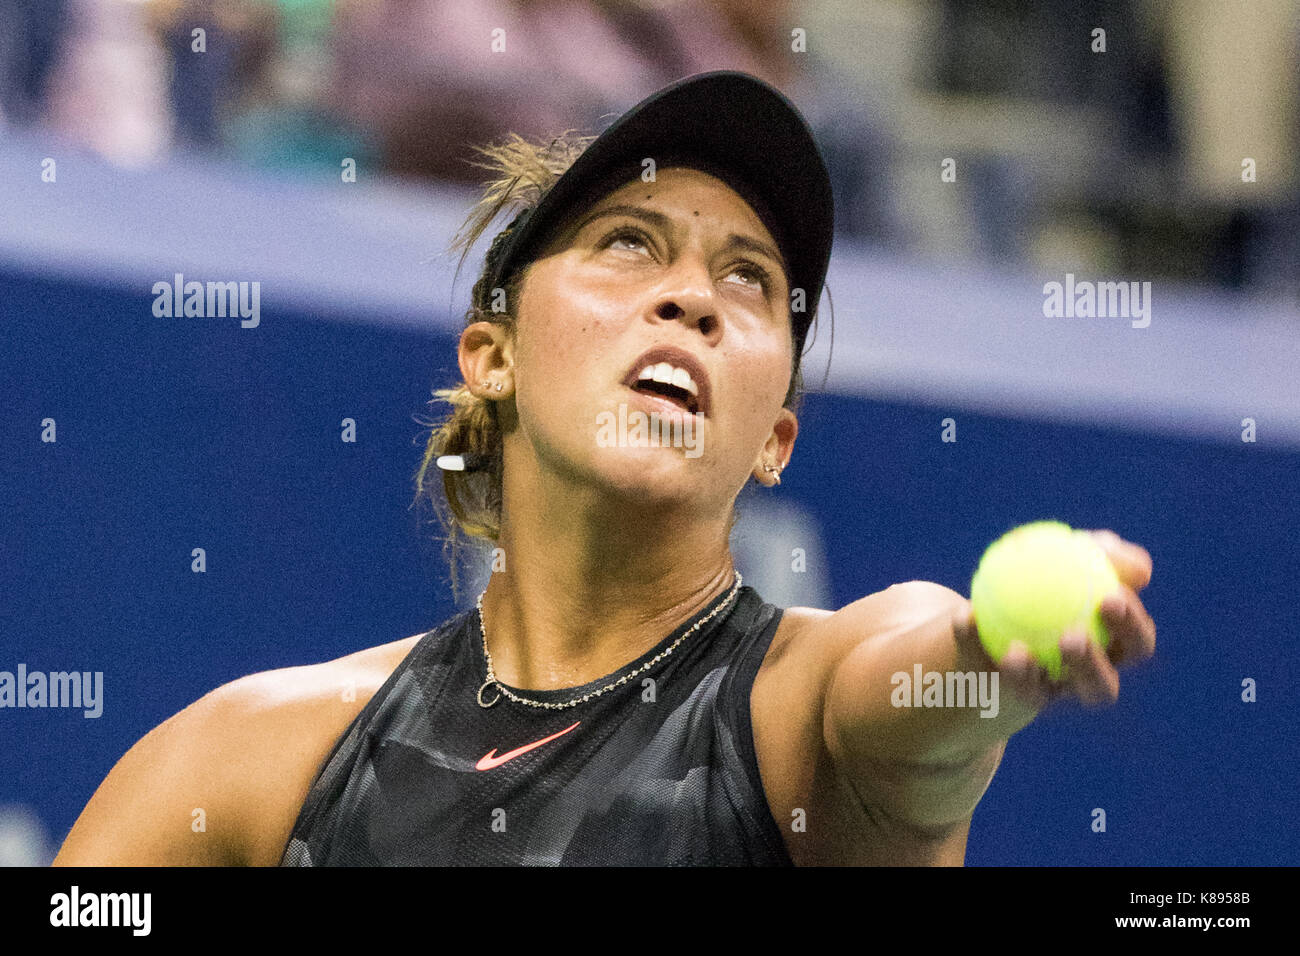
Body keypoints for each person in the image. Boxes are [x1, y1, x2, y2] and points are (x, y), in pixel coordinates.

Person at [52, 71, 1156, 866]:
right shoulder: (242, 762)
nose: (692, 296)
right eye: (629, 241)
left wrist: (985, 664)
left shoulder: (808, 713)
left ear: (775, 435)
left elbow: (913, 694)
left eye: (750, 280)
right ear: (494, 355)